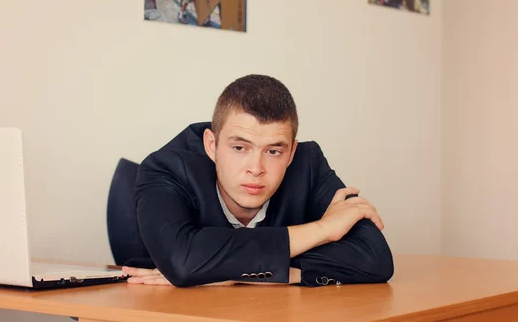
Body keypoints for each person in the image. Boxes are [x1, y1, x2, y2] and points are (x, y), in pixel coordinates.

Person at [123, 74, 394, 287]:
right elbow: (182, 262)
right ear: (211, 145)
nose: (256, 168)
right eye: (239, 148)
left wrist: (236, 273)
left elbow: (375, 259)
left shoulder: (308, 163)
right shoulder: (165, 168)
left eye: (274, 151)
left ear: (291, 153)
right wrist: (323, 230)